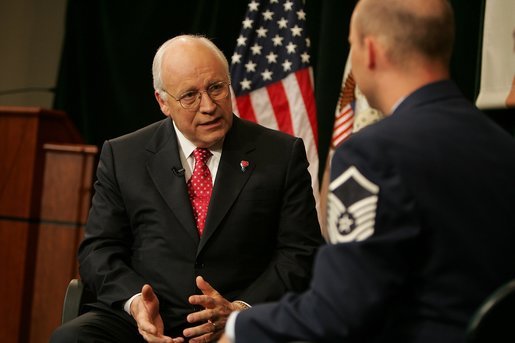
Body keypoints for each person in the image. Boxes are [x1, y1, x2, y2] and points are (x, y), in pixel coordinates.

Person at [219, 0, 515, 342]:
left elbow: (337, 313)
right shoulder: (503, 145)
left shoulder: (370, 154)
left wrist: (238, 327)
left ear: (370, 50)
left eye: (352, 45)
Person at [50, 35, 323, 343]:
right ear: (163, 102)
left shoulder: (280, 154)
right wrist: (136, 303)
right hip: (147, 323)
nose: (208, 106)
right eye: (190, 96)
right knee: (71, 339)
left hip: (240, 324)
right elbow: (98, 250)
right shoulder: (124, 155)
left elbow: (301, 251)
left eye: (216, 88)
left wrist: (240, 310)